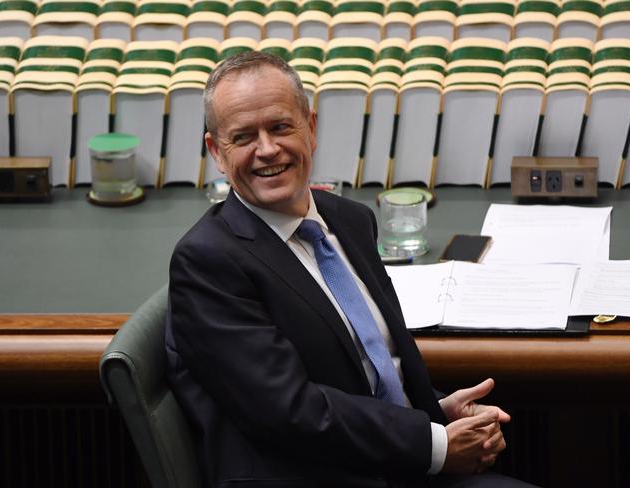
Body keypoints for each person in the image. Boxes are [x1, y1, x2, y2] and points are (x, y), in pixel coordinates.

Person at [165, 51, 537, 488]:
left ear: (312, 128)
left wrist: (437, 413)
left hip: (385, 459)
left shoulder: (349, 220)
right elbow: (290, 413)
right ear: (216, 152)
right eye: (243, 137)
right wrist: (433, 443)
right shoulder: (207, 263)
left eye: (281, 126)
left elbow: (368, 369)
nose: (267, 150)